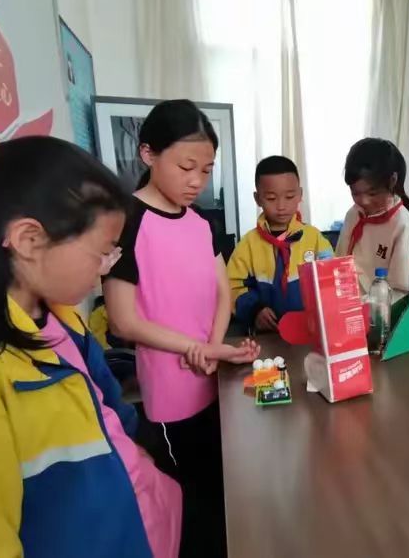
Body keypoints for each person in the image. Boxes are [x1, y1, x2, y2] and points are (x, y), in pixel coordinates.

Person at [0, 137, 182, 558]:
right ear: (30, 240)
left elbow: (112, 411)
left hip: (144, 526)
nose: (105, 268)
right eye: (101, 252)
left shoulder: (63, 320)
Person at [103, 99, 259, 558]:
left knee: (222, 479)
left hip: (212, 375)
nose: (196, 181)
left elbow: (222, 292)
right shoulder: (127, 221)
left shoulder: (201, 221)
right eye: (186, 167)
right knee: (191, 497)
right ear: (148, 154)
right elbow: (124, 320)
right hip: (171, 391)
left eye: (206, 171)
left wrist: (212, 346)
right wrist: (201, 349)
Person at [227, 155, 331, 333]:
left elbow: (331, 279)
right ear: (257, 198)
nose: (281, 206)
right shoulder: (248, 244)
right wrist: (254, 310)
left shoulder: (314, 239)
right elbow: (231, 286)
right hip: (264, 336)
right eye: (271, 198)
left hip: (309, 333)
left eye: (289, 196)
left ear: (300, 195)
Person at [335, 138, 409, 301]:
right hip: (347, 304)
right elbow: (339, 264)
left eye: (373, 193)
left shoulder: (402, 224)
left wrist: (366, 305)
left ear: (392, 181)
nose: (364, 201)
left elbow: (400, 291)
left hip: (382, 309)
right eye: (355, 193)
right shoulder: (353, 214)